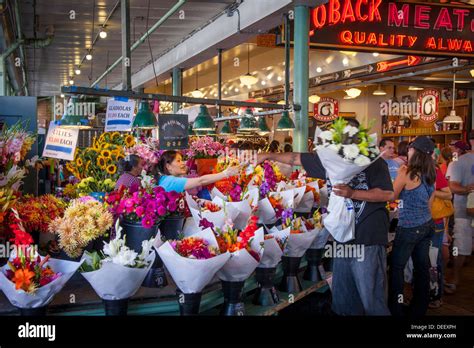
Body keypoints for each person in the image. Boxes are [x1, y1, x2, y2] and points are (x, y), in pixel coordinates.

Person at [257, 118, 394, 316]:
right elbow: (296, 159)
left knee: (372, 299)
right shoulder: (331, 159)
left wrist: (353, 193)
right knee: (344, 299)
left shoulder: (373, 161)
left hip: (368, 238)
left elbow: (387, 194)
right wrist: (269, 155)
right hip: (341, 239)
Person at [390, 136, 436, 317]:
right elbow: (429, 204)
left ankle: (396, 309)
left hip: (408, 227)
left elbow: (391, 196)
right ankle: (419, 309)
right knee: (421, 268)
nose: (407, 151)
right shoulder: (431, 172)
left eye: (409, 148)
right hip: (426, 225)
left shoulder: (406, 172)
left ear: (415, 151)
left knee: (396, 268)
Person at [447, 131, 474, 294]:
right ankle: (455, 279)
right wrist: (467, 189)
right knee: (461, 247)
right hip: (463, 212)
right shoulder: (459, 162)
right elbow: (452, 185)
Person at [155, 150, 240, 193]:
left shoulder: (165, 179)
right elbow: (201, 181)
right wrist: (225, 173)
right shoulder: (172, 181)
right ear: (168, 166)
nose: (183, 163)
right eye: (178, 161)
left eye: (182, 160)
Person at [429, 156, 452, 309]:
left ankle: (436, 295)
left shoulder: (434, 171)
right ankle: (427, 292)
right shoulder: (409, 171)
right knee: (424, 260)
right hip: (418, 223)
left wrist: (432, 191)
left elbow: (448, 194)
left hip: (435, 222)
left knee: (433, 260)